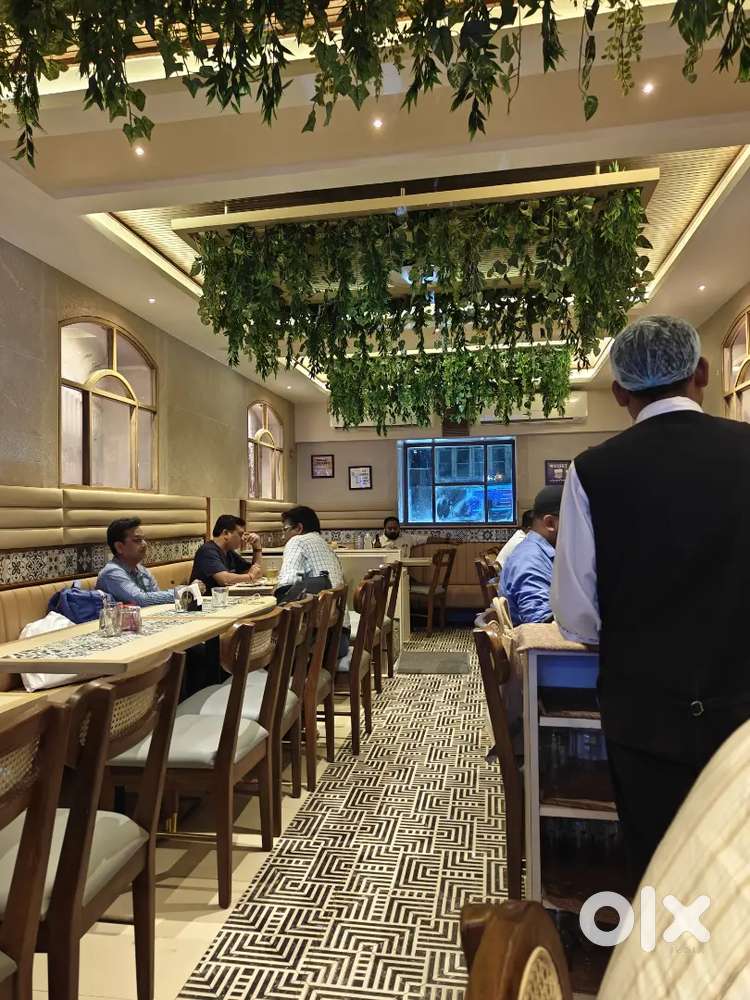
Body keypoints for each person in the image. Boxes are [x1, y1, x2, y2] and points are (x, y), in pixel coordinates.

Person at [551, 315, 750, 887]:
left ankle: (659, 943)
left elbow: (576, 615)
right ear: (703, 373)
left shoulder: (593, 471)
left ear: (619, 393)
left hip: (642, 710)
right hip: (742, 705)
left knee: (657, 866)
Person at [500, 486, 562, 626]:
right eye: (577, 523)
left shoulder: (542, 552)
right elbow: (542, 624)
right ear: (550, 523)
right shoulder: (531, 559)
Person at [97, 518, 180, 605]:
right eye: (137, 540)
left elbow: (157, 598)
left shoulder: (142, 570)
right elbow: (140, 600)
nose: (144, 544)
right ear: (119, 547)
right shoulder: (111, 572)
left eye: (143, 539)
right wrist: (180, 593)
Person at [190, 515, 263, 594]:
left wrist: (257, 548)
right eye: (240, 534)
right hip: (208, 600)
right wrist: (250, 576)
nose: (242, 539)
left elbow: (257, 572)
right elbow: (224, 580)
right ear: (226, 533)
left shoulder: (229, 552)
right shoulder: (207, 551)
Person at [278, 506, 345, 590]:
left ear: (299, 528)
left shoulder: (297, 541)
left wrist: (276, 588)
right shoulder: (326, 546)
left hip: (316, 598)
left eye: (285, 529)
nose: (283, 537)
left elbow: (287, 585)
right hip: (331, 597)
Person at [374, 516, 454, 554]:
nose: (393, 531)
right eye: (390, 528)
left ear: (399, 528)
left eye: (395, 528)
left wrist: (448, 540)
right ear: (384, 529)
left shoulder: (408, 538)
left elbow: (427, 539)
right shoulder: (377, 542)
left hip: (403, 572)